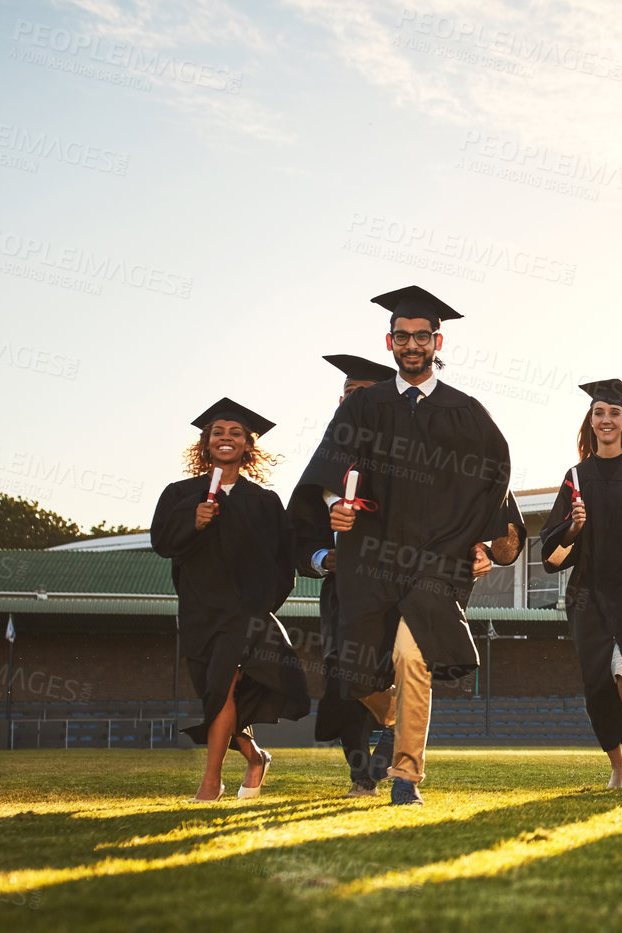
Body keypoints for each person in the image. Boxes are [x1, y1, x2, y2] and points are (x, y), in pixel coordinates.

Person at [295, 286, 523, 806]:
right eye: (403, 336)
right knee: (361, 675)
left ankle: (405, 778)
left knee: (412, 658)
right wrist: (336, 503)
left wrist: (486, 540)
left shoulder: (466, 412)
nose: (413, 344)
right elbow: (330, 466)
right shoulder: (365, 406)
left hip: (434, 564)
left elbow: (494, 479)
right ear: (390, 342)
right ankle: (396, 711)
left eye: (422, 336)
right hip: (370, 560)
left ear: (437, 341)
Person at [150, 399, 310, 802]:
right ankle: (255, 757)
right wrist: (193, 522)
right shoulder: (179, 494)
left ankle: (211, 783)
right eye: (217, 433)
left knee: (222, 688)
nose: (226, 438)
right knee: (213, 693)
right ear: (206, 443)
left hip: (245, 614)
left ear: (247, 446)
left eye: (235, 433)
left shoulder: (264, 502)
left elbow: (282, 563)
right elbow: (162, 543)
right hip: (199, 610)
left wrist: (261, 607)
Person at [540, 380, 622, 789]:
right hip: (590, 591)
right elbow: (553, 547)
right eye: (599, 412)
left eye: (614, 413)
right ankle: (616, 761)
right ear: (591, 420)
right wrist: (572, 527)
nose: (606, 419)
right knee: (598, 679)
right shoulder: (576, 475)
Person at [288, 354, 395, 797]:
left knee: (392, 673)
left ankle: (390, 743)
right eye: (349, 395)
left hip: (392, 589)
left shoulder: (399, 460)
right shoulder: (325, 462)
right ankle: (360, 775)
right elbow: (299, 530)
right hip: (342, 592)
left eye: (364, 395)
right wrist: (321, 558)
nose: (354, 403)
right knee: (344, 681)